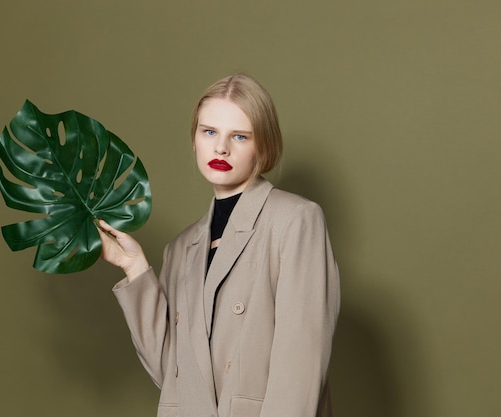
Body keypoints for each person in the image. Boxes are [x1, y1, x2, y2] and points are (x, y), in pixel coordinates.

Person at [95, 74, 340, 417]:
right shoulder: (181, 248)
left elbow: (300, 367)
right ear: (194, 140)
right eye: (209, 132)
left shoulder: (296, 220)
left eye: (239, 136)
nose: (220, 148)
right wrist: (134, 267)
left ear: (264, 146)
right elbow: (174, 374)